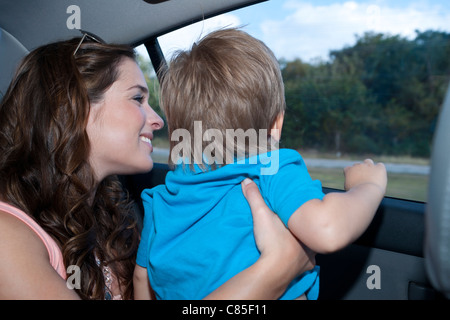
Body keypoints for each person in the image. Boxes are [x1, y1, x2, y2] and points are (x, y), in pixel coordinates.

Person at [0, 33, 314, 300]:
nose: (158, 120)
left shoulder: (107, 220)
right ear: (75, 108)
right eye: (137, 99)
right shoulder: (7, 236)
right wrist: (276, 270)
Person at [134, 28, 388, 300]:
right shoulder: (271, 169)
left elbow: (141, 278)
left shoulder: (162, 199)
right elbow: (328, 230)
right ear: (276, 124)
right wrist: (368, 186)